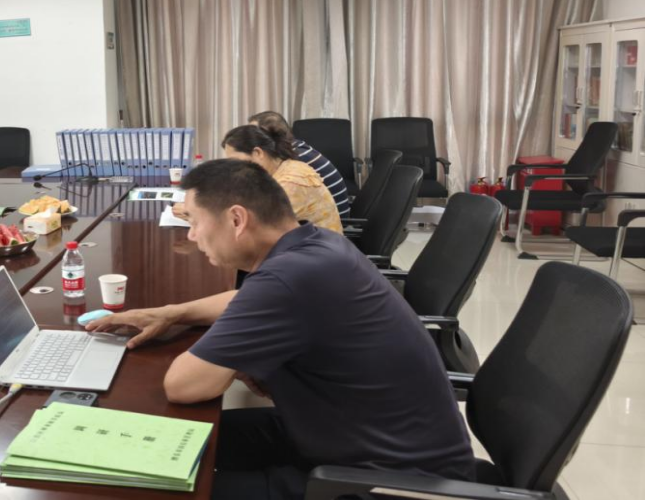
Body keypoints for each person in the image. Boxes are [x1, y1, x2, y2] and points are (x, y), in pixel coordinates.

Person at [89, 160, 474, 500]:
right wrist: (172, 314)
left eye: (193, 220)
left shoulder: (289, 278)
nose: (190, 235)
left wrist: (234, 353)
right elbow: (243, 300)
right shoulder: (315, 245)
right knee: (162, 443)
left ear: (236, 220)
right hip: (345, 434)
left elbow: (184, 385)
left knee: (152, 487)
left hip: (387, 482)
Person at [215, 124, 342, 234]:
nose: (235, 167)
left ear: (258, 153)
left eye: (236, 161)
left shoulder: (291, 181)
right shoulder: (283, 168)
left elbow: (257, 226)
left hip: (318, 250)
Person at [248, 111, 351, 218]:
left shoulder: (297, 158)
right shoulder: (294, 147)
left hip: (333, 221)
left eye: (254, 134)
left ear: (272, 136)